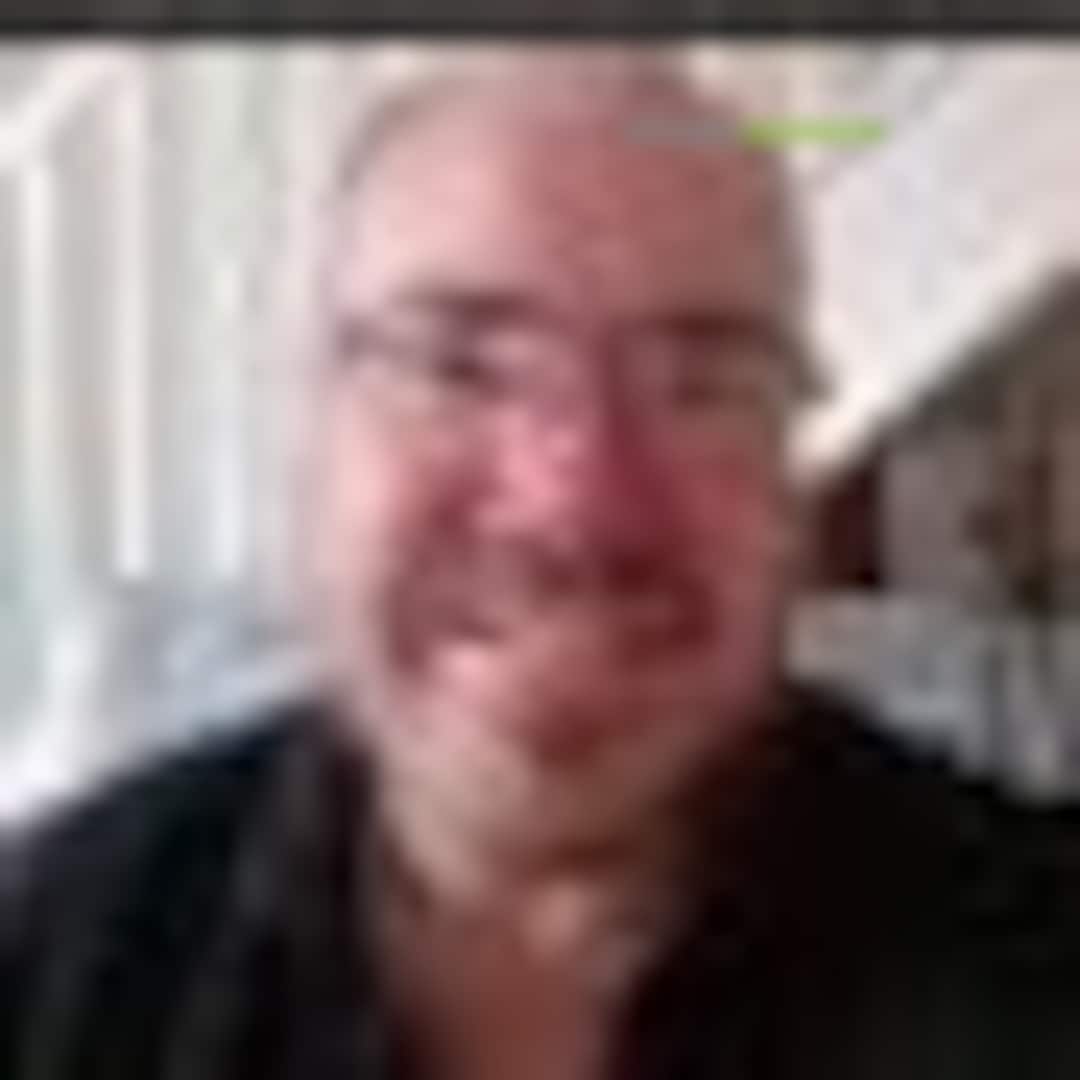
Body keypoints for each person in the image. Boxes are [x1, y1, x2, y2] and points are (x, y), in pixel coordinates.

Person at [4, 47, 1079, 1080]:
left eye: (697, 386)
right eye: (461, 367)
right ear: (319, 427)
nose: (576, 501)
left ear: (788, 465)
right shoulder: (52, 967)